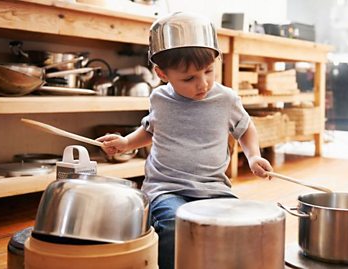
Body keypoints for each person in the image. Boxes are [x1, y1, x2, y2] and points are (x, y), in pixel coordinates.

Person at [96, 12, 273, 269]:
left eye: (209, 71)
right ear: (162, 73)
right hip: (166, 189)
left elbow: (245, 129)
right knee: (174, 226)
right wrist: (125, 143)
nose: (202, 84)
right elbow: (151, 130)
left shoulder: (226, 99)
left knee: (234, 226)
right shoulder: (159, 99)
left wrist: (254, 156)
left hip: (213, 189)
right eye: (189, 78)